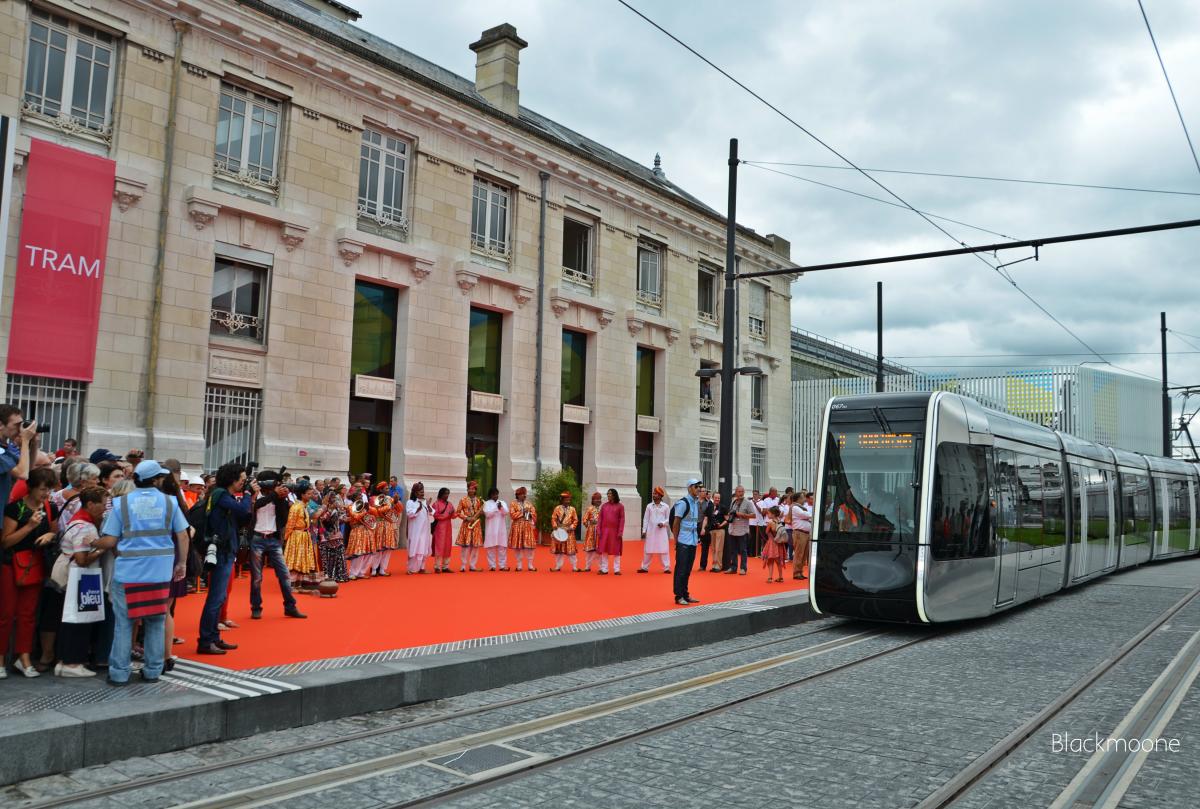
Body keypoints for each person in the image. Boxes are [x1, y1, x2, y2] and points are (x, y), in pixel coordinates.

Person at [94, 460, 190, 684]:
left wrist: (91, 542)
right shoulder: (170, 502)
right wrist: (182, 563)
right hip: (159, 572)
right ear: (156, 480)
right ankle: (153, 671)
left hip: (128, 572)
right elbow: (183, 535)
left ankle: (119, 673)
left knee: (124, 624)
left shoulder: (121, 503)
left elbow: (110, 540)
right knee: (156, 622)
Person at [1, 467, 57, 678]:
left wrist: (50, 536)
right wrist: (29, 526)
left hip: (35, 564)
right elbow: (6, 542)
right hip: (12, 563)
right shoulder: (15, 508)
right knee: (6, 614)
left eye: (49, 489)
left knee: (28, 614)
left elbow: (55, 531)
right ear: (31, 487)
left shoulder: (50, 507)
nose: (46, 493)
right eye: (42, 489)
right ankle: (1, 657)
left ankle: (23, 657)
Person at [55, 487, 109, 676]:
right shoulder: (85, 526)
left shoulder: (77, 521)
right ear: (91, 504)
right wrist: (102, 549)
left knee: (71, 620)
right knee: (80, 621)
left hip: (75, 579)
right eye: (103, 504)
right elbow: (81, 559)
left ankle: (64, 661)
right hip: (81, 578)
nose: (105, 508)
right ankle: (72, 664)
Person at [249, 472, 304, 618]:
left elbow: (284, 518)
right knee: (257, 577)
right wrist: (274, 495)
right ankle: (256, 607)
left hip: (274, 539)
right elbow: (257, 506)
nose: (273, 487)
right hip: (257, 538)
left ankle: (290, 607)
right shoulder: (254, 495)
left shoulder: (278, 497)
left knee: (284, 575)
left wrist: (281, 498)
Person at [669, 478, 703, 606]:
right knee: (681, 570)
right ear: (689, 488)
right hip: (683, 541)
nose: (698, 489)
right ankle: (678, 596)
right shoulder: (683, 503)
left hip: (693, 541)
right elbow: (676, 523)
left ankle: (685, 594)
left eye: (699, 487)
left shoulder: (696, 503)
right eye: (696, 487)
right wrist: (676, 541)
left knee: (688, 570)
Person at [283, 483, 318, 585]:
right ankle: (291, 581)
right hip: (297, 536)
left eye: (311, 494)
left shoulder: (304, 506)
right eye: (308, 494)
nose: (311, 496)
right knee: (295, 558)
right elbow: (290, 524)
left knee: (302, 558)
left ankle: (299, 580)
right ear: (302, 495)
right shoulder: (296, 507)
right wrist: (286, 538)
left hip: (304, 535)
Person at [317, 488, 349, 583]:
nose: (334, 499)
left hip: (337, 534)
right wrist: (330, 510)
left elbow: (339, 520)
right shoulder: (323, 508)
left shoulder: (337, 508)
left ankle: (339, 575)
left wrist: (345, 519)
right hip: (327, 536)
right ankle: (329, 576)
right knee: (329, 557)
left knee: (339, 555)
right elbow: (321, 520)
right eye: (332, 497)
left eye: (334, 497)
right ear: (327, 498)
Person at [639, 486, 671, 573]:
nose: (653, 495)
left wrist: (663, 523)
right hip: (651, 531)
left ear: (660, 495)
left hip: (661, 532)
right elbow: (646, 519)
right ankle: (644, 567)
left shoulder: (666, 507)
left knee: (664, 549)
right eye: (653, 493)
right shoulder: (649, 506)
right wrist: (644, 531)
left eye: (655, 494)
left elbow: (669, 519)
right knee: (648, 549)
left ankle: (666, 568)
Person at [456, 481, 484, 572]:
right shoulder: (463, 500)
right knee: (465, 546)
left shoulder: (479, 500)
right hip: (466, 524)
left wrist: (482, 512)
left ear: (475, 490)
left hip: (476, 524)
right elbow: (458, 512)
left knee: (475, 546)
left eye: (473, 489)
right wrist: (466, 518)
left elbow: (482, 511)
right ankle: (463, 565)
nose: (471, 490)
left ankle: (472, 565)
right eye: (469, 489)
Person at [405, 482, 433, 574]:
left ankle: (422, 568)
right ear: (415, 492)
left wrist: (428, 506)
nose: (422, 493)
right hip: (415, 530)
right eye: (420, 492)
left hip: (425, 530)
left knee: (424, 548)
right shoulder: (410, 502)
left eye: (423, 491)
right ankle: (410, 569)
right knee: (415, 548)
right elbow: (409, 514)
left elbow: (432, 512)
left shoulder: (424, 501)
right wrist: (418, 509)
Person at [726, 486, 754, 575]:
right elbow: (731, 513)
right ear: (736, 492)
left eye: (742, 491)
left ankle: (743, 568)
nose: (740, 493)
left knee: (743, 550)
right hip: (732, 529)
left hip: (742, 530)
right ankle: (733, 568)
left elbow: (753, 515)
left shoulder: (748, 503)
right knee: (732, 550)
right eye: (739, 491)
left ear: (744, 492)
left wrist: (740, 514)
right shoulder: (733, 501)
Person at [508, 487, 538, 572]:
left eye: (524, 494)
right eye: (522, 494)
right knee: (518, 547)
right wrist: (522, 512)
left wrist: (530, 514)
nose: (524, 496)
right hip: (517, 527)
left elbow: (534, 515)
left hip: (527, 527)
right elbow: (512, 515)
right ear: (517, 495)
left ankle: (530, 565)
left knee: (530, 547)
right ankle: (519, 565)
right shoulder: (513, 503)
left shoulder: (529, 503)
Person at [597, 488, 625, 575]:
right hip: (604, 531)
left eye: (610, 493)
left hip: (615, 532)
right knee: (604, 550)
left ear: (614, 495)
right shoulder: (604, 506)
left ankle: (617, 569)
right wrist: (598, 530)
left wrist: (620, 531)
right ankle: (604, 569)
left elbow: (622, 520)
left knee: (616, 551)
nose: (608, 495)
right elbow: (600, 519)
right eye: (608, 493)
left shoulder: (620, 506)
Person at [549, 491, 577, 572]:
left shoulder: (572, 509)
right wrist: (555, 526)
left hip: (569, 531)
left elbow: (575, 520)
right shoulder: (557, 508)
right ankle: (558, 566)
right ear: (562, 500)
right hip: (559, 531)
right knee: (559, 550)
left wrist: (571, 527)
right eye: (566, 500)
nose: (568, 501)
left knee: (571, 550)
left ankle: (574, 567)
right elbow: (553, 518)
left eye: (569, 499)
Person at [482, 487, 508, 571]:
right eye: (494, 494)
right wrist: (496, 508)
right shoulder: (486, 503)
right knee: (491, 548)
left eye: (496, 494)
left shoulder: (502, 502)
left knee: (502, 548)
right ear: (490, 495)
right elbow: (488, 515)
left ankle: (502, 566)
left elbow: (506, 513)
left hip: (501, 528)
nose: (495, 496)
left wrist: (501, 508)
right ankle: (492, 566)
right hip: (491, 529)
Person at [430, 487, 455, 573]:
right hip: (439, 528)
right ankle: (437, 566)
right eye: (445, 494)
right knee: (439, 546)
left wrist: (455, 514)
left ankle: (445, 566)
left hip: (448, 528)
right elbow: (436, 515)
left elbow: (453, 515)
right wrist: (447, 515)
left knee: (447, 546)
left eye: (448, 494)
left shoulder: (450, 504)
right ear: (441, 494)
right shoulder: (436, 504)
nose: (447, 495)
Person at [762, 506, 788, 583]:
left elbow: (767, 532)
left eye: (769, 513)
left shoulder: (770, 522)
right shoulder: (780, 521)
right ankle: (780, 577)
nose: (768, 515)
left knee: (770, 560)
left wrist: (771, 538)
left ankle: (770, 577)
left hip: (772, 543)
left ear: (773, 514)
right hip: (779, 543)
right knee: (778, 561)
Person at [580, 491, 602, 572]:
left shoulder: (602, 509)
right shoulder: (589, 509)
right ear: (593, 500)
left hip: (600, 531)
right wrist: (590, 524)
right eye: (596, 499)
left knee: (599, 550)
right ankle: (587, 567)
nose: (598, 500)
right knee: (589, 550)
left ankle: (601, 568)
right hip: (591, 531)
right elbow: (584, 520)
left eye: (599, 499)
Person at [793, 491, 813, 581]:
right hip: (800, 533)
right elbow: (804, 515)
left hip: (805, 533)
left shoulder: (801, 507)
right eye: (802, 497)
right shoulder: (795, 507)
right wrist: (812, 514)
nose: (804, 499)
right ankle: (796, 572)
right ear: (798, 499)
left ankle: (800, 571)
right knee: (799, 553)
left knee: (804, 554)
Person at [706, 492, 728, 573]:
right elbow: (707, 518)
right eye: (716, 498)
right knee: (713, 548)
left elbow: (727, 519)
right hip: (712, 530)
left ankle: (718, 566)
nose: (717, 499)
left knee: (719, 548)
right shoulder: (710, 507)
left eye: (718, 498)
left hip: (720, 530)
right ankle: (714, 565)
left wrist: (721, 525)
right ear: (713, 498)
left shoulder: (723, 507)